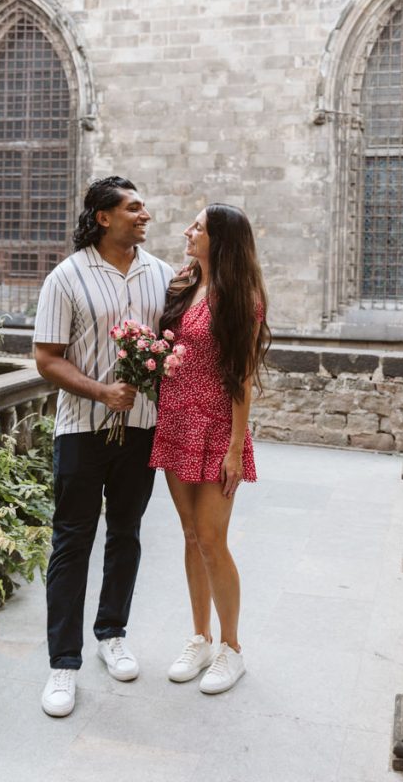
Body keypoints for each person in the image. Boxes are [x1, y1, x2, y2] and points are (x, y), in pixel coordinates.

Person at [33, 176, 173, 717]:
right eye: (134, 208)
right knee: (72, 543)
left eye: (144, 206)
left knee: (127, 534)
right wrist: (101, 391)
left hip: (142, 428)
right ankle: (62, 665)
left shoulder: (163, 275)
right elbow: (46, 358)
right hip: (80, 430)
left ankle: (112, 633)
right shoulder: (66, 277)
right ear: (103, 217)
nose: (145, 215)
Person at [149, 203, 269, 694]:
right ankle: (199, 636)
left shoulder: (240, 297)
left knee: (212, 537)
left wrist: (236, 447)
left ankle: (232, 648)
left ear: (219, 239)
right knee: (189, 534)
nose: (187, 231)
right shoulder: (184, 283)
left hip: (216, 427)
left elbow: (242, 377)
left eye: (197, 227)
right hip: (175, 421)